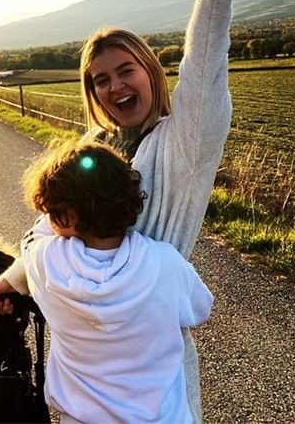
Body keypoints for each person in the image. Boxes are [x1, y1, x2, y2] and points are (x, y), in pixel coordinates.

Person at [0, 0, 257, 422]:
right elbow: (50, 229)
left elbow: (206, 56)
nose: (114, 85)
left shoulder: (185, 144)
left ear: (150, 71)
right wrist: (12, 278)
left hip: (151, 360)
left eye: (124, 70)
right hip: (86, 363)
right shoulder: (92, 148)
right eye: (100, 79)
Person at [20, 139, 213, 424]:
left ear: (67, 218)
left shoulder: (46, 262)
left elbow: (32, 239)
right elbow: (201, 308)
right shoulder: (165, 263)